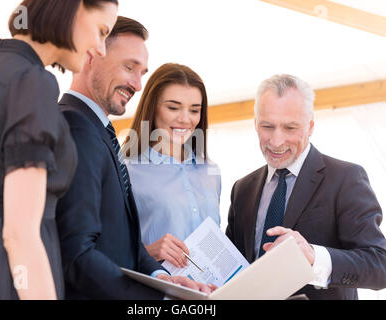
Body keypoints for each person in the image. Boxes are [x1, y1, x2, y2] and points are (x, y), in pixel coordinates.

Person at [0, 0, 118, 299]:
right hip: (12, 281)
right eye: (101, 31)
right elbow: (19, 234)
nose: (101, 48)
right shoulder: (32, 82)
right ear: (73, 8)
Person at [56, 17, 213, 300]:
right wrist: (155, 299)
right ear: (91, 55)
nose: (138, 85)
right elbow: (76, 251)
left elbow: (120, 242)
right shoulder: (75, 126)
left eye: (142, 72)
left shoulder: (98, 129)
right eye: (129, 67)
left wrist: (164, 280)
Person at [225, 74, 386, 300]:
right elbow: (235, 266)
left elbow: (379, 265)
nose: (276, 141)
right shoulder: (242, 189)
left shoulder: (346, 178)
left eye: (290, 128)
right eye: (267, 126)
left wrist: (313, 256)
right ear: (255, 124)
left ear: (310, 127)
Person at [124, 63, 221, 269]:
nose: (185, 119)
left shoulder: (210, 171)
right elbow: (107, 251)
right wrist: (148, 253)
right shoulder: (127, 170)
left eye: (194, 110)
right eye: (173, 107)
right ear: (152, 108)